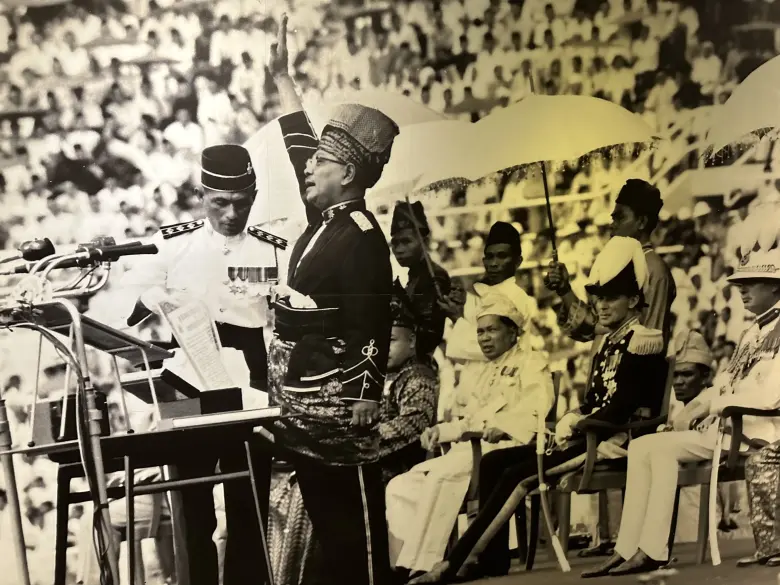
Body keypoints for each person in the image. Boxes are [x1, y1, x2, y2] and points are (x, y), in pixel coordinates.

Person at [410, 236, 668, 584]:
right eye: (599, 298)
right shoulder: (610, 341)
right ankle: (492, 558)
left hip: (612, 439)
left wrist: (579, 423)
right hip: (590, 433)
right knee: (493, 462)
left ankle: (452, 564)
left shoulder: (642, 340)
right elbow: (594, 398)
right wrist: (573, 417)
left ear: (634, 299)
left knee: (518, 476)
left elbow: (622, 406)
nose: (602, 306)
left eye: (612, 298)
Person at [267, 15, 399, 585]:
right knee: (327, 518)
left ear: (347, 173)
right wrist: (282, 83)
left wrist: (367, 394)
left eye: (320, 162)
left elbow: (373, 315)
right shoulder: (325, 219)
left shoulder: (362, 235)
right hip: (303, 402)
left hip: (341, 404)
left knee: (356, 530)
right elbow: (300, 141)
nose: (307, 166)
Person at [118, 142, 288, 585]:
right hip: (185, 374)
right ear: (201, 195)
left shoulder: (272, 249)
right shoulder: (171, 245)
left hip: (248, 371)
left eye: (243, 203)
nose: (233, 214)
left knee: (248, 497)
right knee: (191, 502)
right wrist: (151, 298)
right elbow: (128, 309)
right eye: (221, 203)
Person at [583, 205, 780, 577]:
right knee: (645, 446)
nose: (740, 291)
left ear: (774, 285)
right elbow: (726, 382)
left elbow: (769, 395)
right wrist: (697, 409)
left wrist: (715, 406)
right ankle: (633, 548)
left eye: (749, 284)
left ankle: (650, 550)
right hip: (727, 426)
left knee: (657, 448)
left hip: (756, 432)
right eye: (739, 284)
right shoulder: (753, 329)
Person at [545, 178, 676, 557]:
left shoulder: (653, 269)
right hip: (606, 376)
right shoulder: (621, 261)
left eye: (620, 216)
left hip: (632, 386)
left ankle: (630, 542)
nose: (611, 221)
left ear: (642, 221)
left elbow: (637, 335)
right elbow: (591, 328)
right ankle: (610, 537)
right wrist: (565, 291)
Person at [386, 293, 554, 578]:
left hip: (506, 448)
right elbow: (469, 421)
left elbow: (539, 407)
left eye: (492, 330)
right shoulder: (482, 371)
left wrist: (505, 425)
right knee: (401, 485)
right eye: (480, 332)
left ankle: (429, 564)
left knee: (442, 475)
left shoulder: (531, 362)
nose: (484, 338)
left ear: (512, 331)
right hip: (471, 449)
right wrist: (440, 430)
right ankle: (402, 565)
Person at [441, 221, 540, 361]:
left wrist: (457, 319)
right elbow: (462, 355)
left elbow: (493, 350)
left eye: (501, 256)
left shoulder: (516, 298)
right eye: (490, 257)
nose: (494, 263)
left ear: (517, 261)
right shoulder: (479, 295)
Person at [378, 289, 439, 483]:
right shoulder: (381, 374)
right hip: (374, 458)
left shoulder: (419, 377)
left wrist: (358, 442)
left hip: (403, 468)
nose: (383, 348)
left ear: (411, 340)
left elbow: (413, 424)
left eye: (392, 341)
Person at [389, 200, 451, 359]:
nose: (399, 250)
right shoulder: (414, 275)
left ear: (425, 242)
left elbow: (428, 336)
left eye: (406, 242)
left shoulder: (434, 277)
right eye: (395, 243)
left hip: (419, 361)